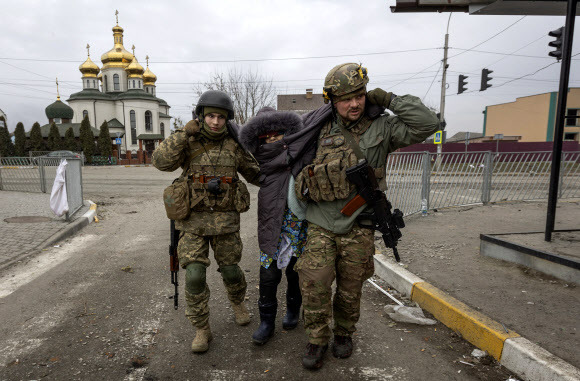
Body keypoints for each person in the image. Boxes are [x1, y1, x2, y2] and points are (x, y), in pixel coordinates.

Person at [294, 63, 442, 369]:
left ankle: (344, 334)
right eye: (346, 97)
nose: (355, 103)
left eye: (360, 95)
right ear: (333, 100)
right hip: (320, 222)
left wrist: (387, 98)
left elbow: (428, 123)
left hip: (359, 224)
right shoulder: (317, 128)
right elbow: (292, 165)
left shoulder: (383, 127)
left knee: (351, 288)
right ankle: (317, 338)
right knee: (314, 285)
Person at [152, 90, 260, 354]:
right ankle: (202, 328)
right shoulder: (188, 141)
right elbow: (160, 162)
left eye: (220, 117)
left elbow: (257, 173)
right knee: (195, 275)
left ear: (227, 119)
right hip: (192, 222)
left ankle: (237, 303)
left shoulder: (235, 144)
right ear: (200, 116)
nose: (215, 122)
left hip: (225, 222)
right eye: (210, 116)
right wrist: (181, 134)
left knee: (232, 271)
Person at [239, 107, 310, 345]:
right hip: (271, 227)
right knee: (268, 276)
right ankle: (266, 322)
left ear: (286, 132)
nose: (271, 139)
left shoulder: (300, 155)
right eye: (265, 136)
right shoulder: (260, 164)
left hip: (296, 226)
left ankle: (292, 310)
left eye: (276, 134)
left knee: (293, 271)